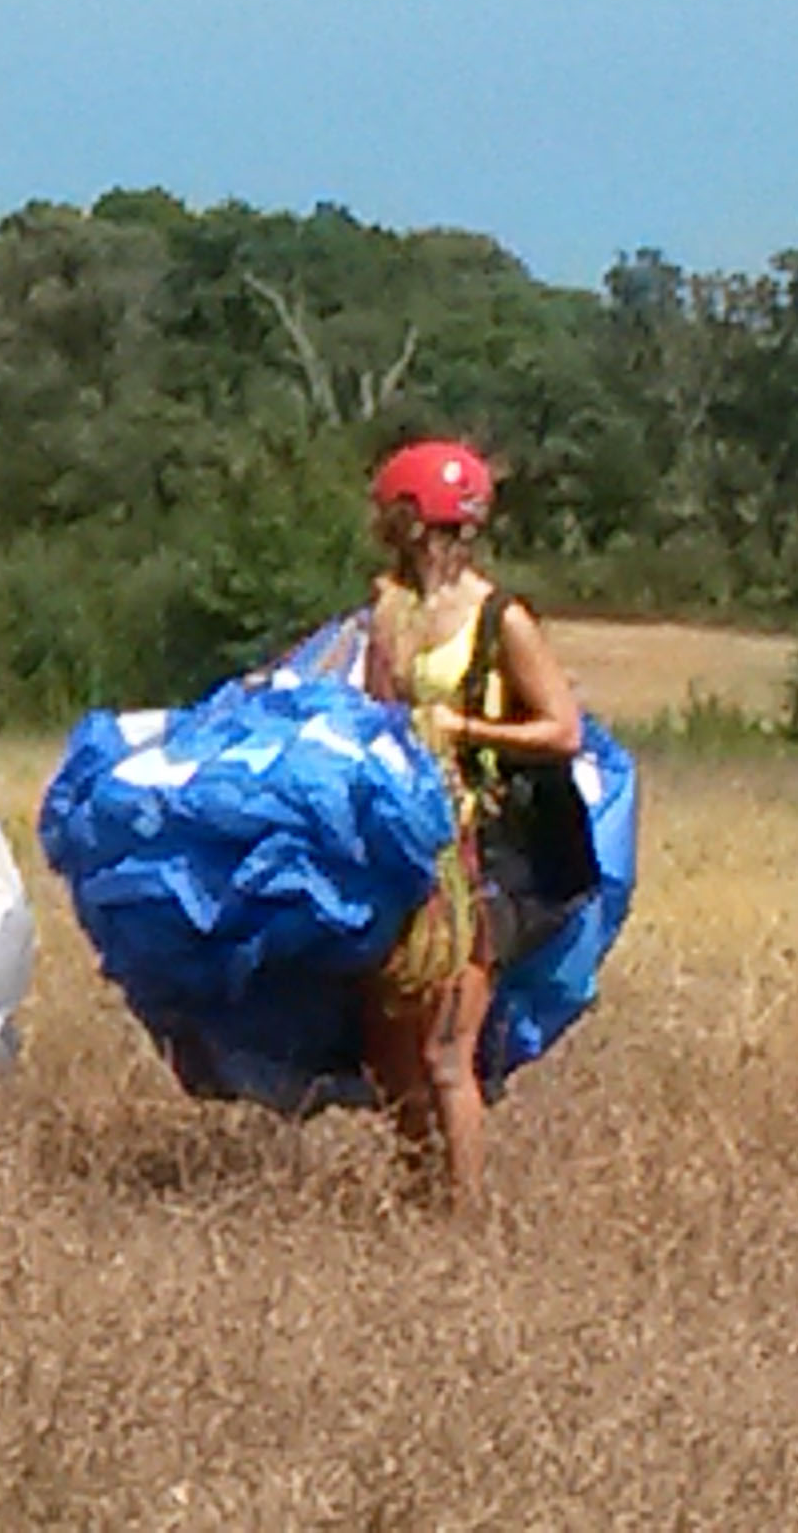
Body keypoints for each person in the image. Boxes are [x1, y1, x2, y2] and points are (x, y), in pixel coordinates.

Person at [358, 439, 582, 1214]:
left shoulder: (501, 620)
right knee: (391, 1050)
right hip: (404, 845)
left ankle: (461, 1218)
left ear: (414, 518)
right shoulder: (387, 610)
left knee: (445, 1051)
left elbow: (562, 730)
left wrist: (463, 728)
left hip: (477, 856)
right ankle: (413, 1193)